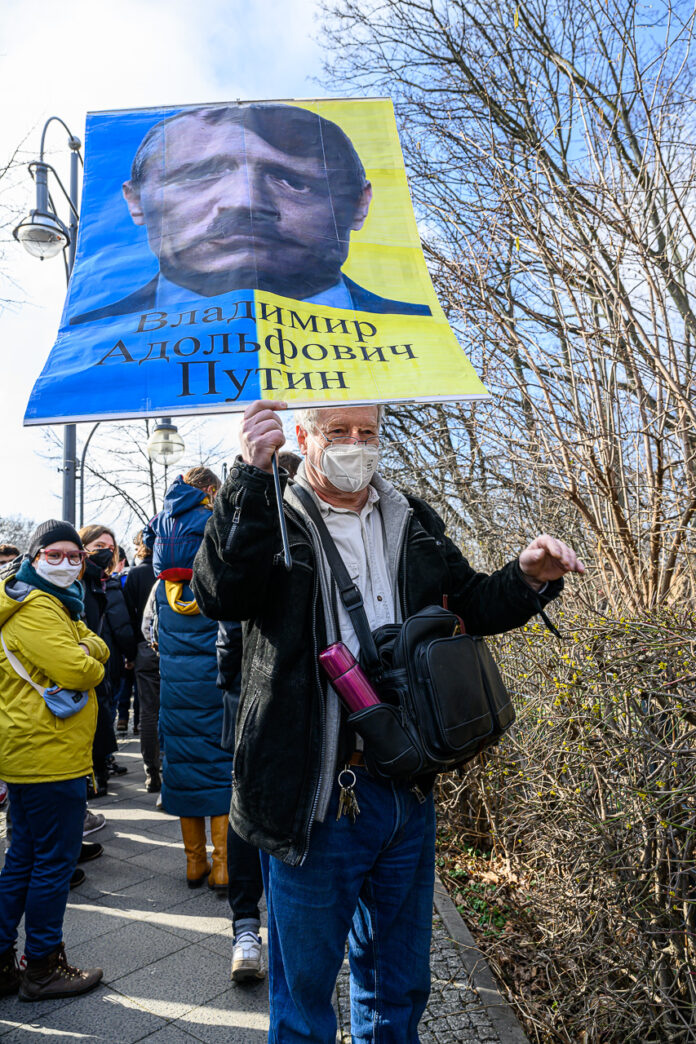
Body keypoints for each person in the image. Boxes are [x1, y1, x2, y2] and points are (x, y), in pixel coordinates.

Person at [192, 399, 585, 1043]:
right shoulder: (273, 514)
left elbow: (472, 602)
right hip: (313, 795)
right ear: (303, 436)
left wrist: (526, 577)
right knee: (305, 997)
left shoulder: (412, 517)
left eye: (367, 431)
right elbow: (221, 594)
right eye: (338, 431)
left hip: (405, 785)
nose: (355, 444)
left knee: (398, 987)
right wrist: (247, 475)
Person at [69, 103, 432, 325]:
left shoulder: (417, 332)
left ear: (359, 204)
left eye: (292, 180)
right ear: (136, 201)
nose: (245, 200)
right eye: (199, 174)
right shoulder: (89, 338)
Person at [0, 520, 107, 1000]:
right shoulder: (39, 607)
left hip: (31, 750)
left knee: (23, 858)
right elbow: (80, 668)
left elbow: (90, 640)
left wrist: (88, 645)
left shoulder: (46, 600)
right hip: (49, 753)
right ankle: (42, 965)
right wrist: (89, 652)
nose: (67, 563)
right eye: (55, 554)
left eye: (75, 556)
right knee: (52, 864)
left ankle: (3, 960)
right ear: (34, 555)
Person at [144, 467, 233, 891]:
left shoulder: (161, 587)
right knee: (218, 771)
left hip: (176, 694)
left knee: (184, 771)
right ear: (211, 494)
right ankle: (223, 867)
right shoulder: (216, 570)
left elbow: (150, 634)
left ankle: (193, 864)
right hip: (215, 692)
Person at [79, 525, 136, 795]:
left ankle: (97, 774)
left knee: (103, 718)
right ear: (84, 546)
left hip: (105, 666)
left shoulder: (104, 583)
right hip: (84, 667)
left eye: (110, 548)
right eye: (99, 547)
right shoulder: (81, 584)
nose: (105, 553)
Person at [123, 530, 160, 791]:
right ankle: (172, 768)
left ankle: (151, 772)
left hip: (144, 647)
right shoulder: (173, 570)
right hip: (176, 645)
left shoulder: (134, 575)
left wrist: (130, 653)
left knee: (148, 711)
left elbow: (126, 616)